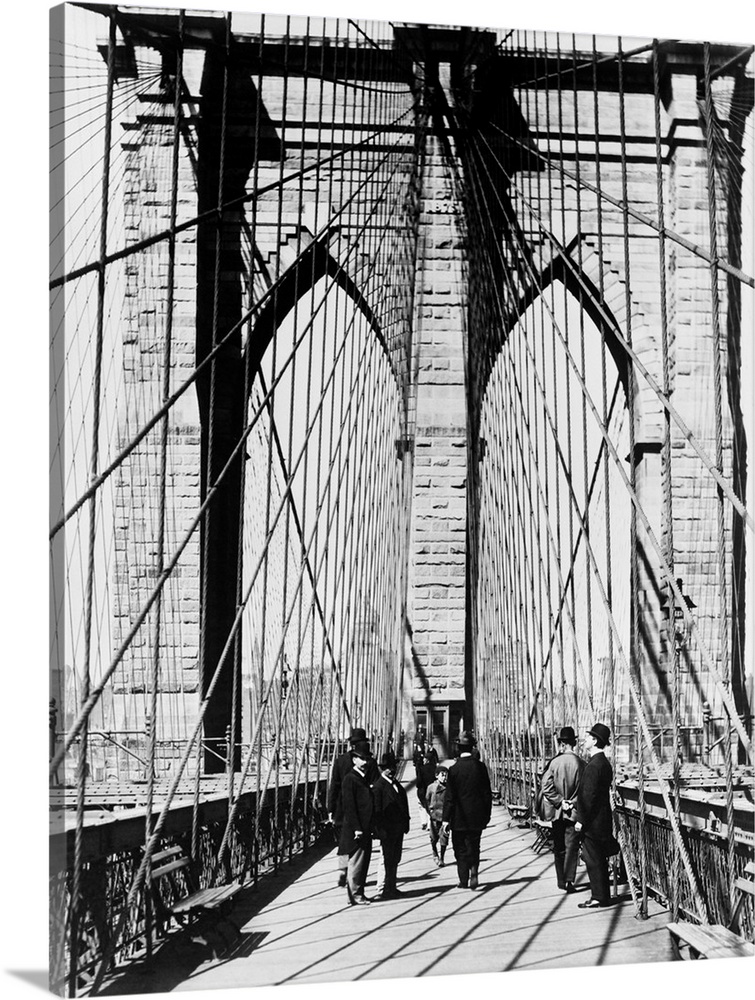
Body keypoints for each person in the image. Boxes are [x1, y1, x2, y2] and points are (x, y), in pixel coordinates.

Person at [327, 727, 379, 887]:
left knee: (344, 840)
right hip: (360, 809)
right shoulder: (369, 761)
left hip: (342, 808)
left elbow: (334, 786)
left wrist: (330, 809)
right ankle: (352, 876)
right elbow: (376, 785)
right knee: (358, 842)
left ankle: (343, 873)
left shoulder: (340, 761)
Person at [442, 731, 492, 890]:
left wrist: (445, 819)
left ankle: (463, 879)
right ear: (472, 748)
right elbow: (487, 794)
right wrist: (487, 814)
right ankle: (474, 870)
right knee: (474, 845)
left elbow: (449, 797)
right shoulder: (481, 767)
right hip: (477, 816)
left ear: (459, 748)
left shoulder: (454, 769)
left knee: (460, 848)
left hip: (458, 818)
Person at [574, 722, 615, 909]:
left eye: (588, 737)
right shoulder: (604, 764)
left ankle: (599, 897)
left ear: (595, 741)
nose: (584, 740)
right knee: (599, 858)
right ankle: (602, 895)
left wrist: (581, 821)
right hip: (603, 819)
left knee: (593, 859)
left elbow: (588, 797)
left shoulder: (593, 766)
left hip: (592, 822)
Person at [540, 725, 585, 893]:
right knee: (571, 847)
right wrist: (572, 802)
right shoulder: (581, 764)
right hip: (574, 812)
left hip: (558, 812)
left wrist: (559, 801)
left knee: (559, 846)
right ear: (573, 743)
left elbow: (546, 786)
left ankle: (560, 880)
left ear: (562, 744)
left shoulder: (554, 763)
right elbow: (585, 790)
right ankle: (569, 881)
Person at [338, 749, 375, 904]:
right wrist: (357, 828)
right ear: (354, 760)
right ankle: (355, 895)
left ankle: (356, 894)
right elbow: (349, 806)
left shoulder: (361, 778)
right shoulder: (350, 779)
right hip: (357, 829)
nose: (365, 762)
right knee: (357, 863)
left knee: (362, 862)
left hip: (365, 827)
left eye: (366, 759)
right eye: (361, 759)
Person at [372, 752, 411, 899]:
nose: (391, 770)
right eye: (388, 768)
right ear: (382, 769)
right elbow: (376, 811)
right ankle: (383, 888)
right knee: (386, 859)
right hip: (387, 830)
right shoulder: (379, 787)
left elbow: (403, 804)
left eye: (393, 767)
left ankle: (391, 887)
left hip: (398, 829)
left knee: (395, 858)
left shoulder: (396, 785)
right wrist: (379, 830)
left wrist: (406, 822)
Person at [425, 763, 450, 866]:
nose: (444, 777)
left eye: (446, 775)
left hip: (445, 817)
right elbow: (426, 799)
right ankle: (435, 852)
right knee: (434, 838)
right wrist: (429, 811)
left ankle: (442, 858)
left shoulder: (449, 787)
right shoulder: (431, 787)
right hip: (434, 816)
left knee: (444, 838)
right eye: (442, 775)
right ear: (436, 775)